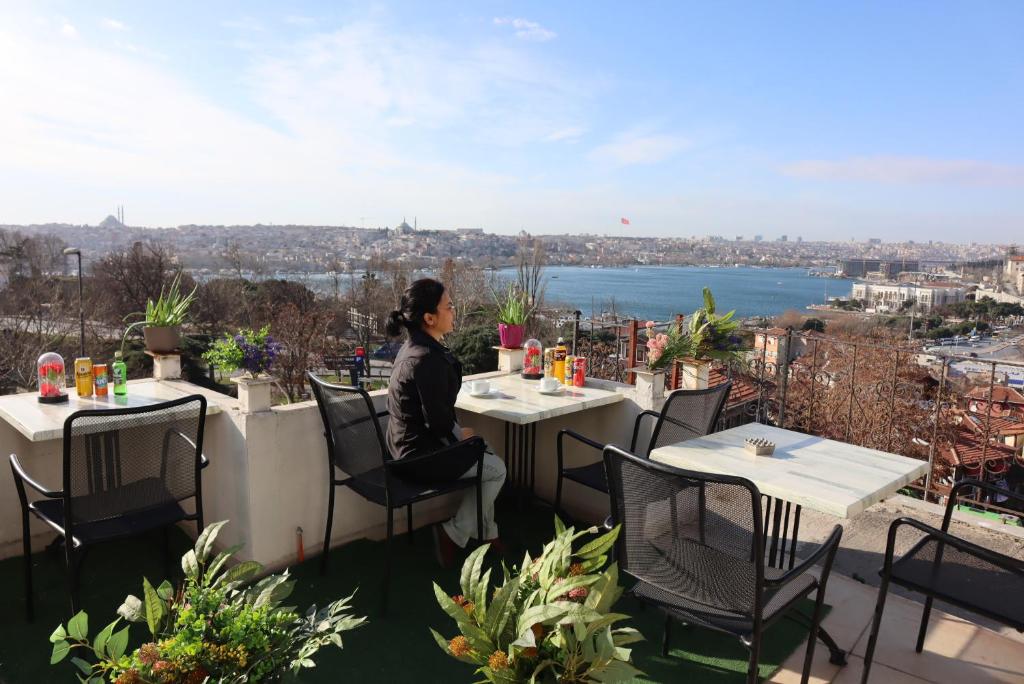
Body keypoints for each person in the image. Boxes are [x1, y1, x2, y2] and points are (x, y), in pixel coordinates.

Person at [385, 278, 506, 567]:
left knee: (484, 450)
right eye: (448, 307)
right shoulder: (426, 359)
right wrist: (460, 435)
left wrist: (460, 435)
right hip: (418, 460)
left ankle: (488, 533)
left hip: (403, 449)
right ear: (429, 318)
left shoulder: (413, 348)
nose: (453, 312)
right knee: (496, 470)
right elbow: (439, 424)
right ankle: (452, 533)